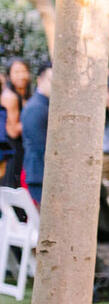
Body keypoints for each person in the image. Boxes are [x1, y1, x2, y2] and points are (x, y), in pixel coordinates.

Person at [20, 64, 51, 205]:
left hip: (38, 173)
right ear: (40, 80)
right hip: (39, 175)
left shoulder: (42, 104)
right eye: (51, 80)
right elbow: (40, 147)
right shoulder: (37, 107)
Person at [0, 59, 31, 188]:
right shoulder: (10, 97)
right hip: (13, 150)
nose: (22, 76)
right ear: (9, 75)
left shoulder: (24, 95)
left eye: (24, 71)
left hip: (22, 149)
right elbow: (12, 131)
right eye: (17, 72)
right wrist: (35, 122)